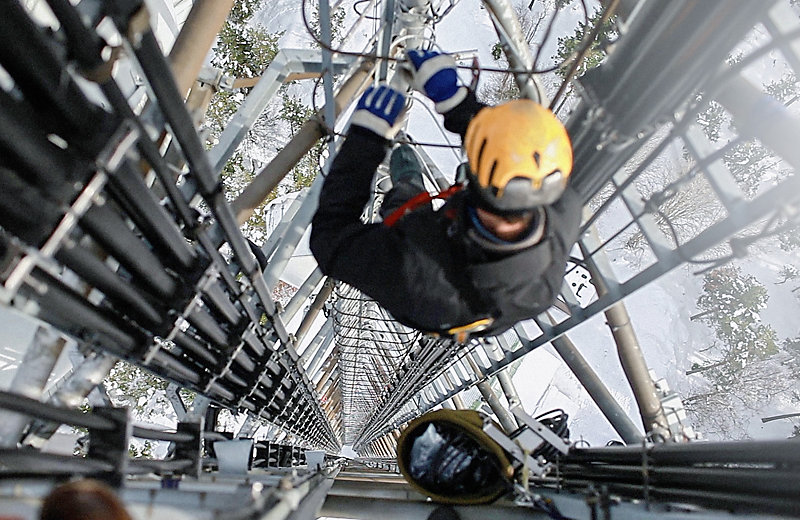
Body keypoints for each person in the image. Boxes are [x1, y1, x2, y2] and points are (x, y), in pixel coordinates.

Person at [310, 50, 581, 341]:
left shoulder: (416, 272)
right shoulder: (560, 202)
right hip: (479, 267)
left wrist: (364, 143)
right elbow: (510, 158)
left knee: (402, 204)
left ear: (471, 181)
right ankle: (406, 183)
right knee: (408, 201)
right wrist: (457, 103)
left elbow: (330, 241)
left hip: (439, 290)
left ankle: (405, 183)